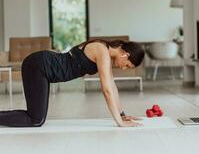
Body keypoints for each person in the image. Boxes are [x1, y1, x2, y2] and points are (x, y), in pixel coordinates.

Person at [0, 39, 145, 127]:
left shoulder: (104, 51)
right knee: (36, 120)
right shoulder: (102, 51)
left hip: (42, 67)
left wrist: (122, 114)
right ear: (126, 54)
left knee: (36, 118)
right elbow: (106, 90)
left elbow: (112, 87)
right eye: (127, 65)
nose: (124, 68)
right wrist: (119, 122)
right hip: (38, 65)